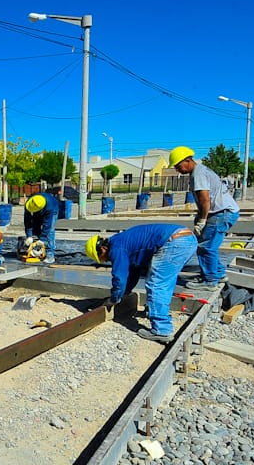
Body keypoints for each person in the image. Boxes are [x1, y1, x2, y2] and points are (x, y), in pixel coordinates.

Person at [84, 224, 197, 344]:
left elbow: (120, 278)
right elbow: (133, 272)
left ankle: (162, 330)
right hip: (186, 239)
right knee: (164, 282)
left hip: (174, 243)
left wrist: (114, 298)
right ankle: (155, 310)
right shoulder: (122, 242)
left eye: (102, 258)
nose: (106, 260)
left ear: (102, 249)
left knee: (156, 284)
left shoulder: (116, 248)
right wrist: (125, 293)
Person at [169, 146, 240, 291]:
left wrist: (202, 220)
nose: (177, 170)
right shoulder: (200, 170)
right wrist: (200, 217)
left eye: (178, 166)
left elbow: (205, 200)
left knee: (206, 247)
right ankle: (217, 274)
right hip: (223, 211)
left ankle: (210, 281)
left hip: (221, 212)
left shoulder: (198, 174)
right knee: (207, 245)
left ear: (187, 160)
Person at [23, 192, 59, 264]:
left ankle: (50, 254)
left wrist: (42, 239)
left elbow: (47, 225)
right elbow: (28, 221)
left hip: (53, 209)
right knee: (35, 226)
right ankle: (36, 249)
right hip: (38, 209)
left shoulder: (50, 207)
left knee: (50, 232)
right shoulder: (30, 203)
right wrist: (29, 236)